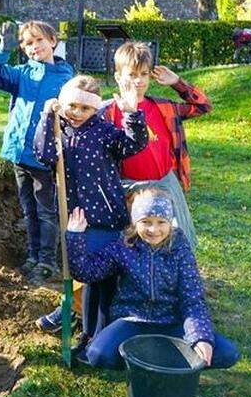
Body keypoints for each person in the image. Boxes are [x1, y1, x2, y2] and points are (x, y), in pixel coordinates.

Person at [33, 76, 148, 353]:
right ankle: (88, 335)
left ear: (94, 109)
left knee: (102, 282)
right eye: (72, 106)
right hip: (76, 220)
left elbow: (134, 144)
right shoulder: (60, 131)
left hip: (105, 219)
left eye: (85, 109)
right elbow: (43, 154)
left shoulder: (104, 131)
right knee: (85, 278)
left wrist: (132, 113)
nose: (77, 113)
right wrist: (47, 118)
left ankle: (100, 338)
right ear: (63, 103)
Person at [66, 189, 240, 370]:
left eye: (161, 222)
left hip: (172, 322)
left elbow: (193, 299)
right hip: (133, 321)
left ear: (170, 222)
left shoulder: (180, 249)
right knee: (98, 355)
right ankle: (164, 359)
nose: (154, 229)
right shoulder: (123, 246)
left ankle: (151, 358)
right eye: (145, 222)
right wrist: (75, 236)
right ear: (135, 222)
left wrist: (201, 338)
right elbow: (87, 273)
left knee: (227, 353)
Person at [0, 20, 74, 282]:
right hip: (19, 153)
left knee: (47, 210)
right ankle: (32, 256)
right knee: (28, 209)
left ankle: (47, 262)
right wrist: (2, 49)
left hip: (45, 157)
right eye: (27, 43)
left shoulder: (66, 79)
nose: (34, 47)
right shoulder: (21, 73)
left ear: (53, 41)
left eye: (39, 41)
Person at [102, 41, 212, 251]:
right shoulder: (108, 113)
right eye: (132, 74)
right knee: (133, 245)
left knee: (172, 243)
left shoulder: (163, 107)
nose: (138, 81)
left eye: (143, 74)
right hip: (128, 189)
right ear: (118, 77)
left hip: (164, 185)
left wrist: (177, 83)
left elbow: (203, 106)